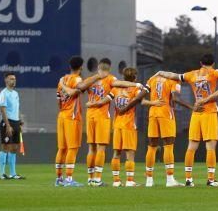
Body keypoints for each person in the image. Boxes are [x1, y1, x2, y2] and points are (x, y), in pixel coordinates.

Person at [157, 54, 218, 187]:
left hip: (196, 112)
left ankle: (189, 179)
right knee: (210, 146)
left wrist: (161, 72)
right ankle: (211, 179)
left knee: (191, 146)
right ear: (213, 63)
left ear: (201, 62)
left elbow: (174, 75)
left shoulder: (191, 74)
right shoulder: (213, 73)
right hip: (209, 111)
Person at [54, 57, 111, 187]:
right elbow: (78, 88)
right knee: (72, 148)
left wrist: (62, 86)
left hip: (61, 115)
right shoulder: (77, 79)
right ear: (81, 67)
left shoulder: (62, 79)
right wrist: (98, 76)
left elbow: (58, 100)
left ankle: (59, 179)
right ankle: (68, 179)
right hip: (72, 116)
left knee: (62, 148)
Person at [109, 68, 149, 188]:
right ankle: (130, 180)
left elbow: (107, 99)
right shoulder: (135, 89)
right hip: (128, 124)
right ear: (135, 77)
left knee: (116, 153)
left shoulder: (115, 89)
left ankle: (116, 181)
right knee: (129, 153)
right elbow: (141, 101)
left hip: (117, 124)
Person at [84, 59, 117, 186]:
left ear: (98, 68)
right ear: (109, 68)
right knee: (101, 148)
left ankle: (90, 178)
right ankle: (97, 179)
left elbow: (80, 87)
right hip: (102, 116)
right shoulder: (110, 79)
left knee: (91, 148)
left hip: (90, 116)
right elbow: (118, 85)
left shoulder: (91, 79)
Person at [0, 72, 25, 180]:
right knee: (5, 146)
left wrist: (19, 121)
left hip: (15, 122)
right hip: (7, 122)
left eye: (14, 79)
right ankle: (1, 173)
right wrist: (8, 125)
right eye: (11, 79)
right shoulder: (4, 93)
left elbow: (16, 108)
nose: (14, 81)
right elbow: (3, 110)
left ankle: (12, 173)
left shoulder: (15, 93)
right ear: (6, 80)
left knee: (14, 148)